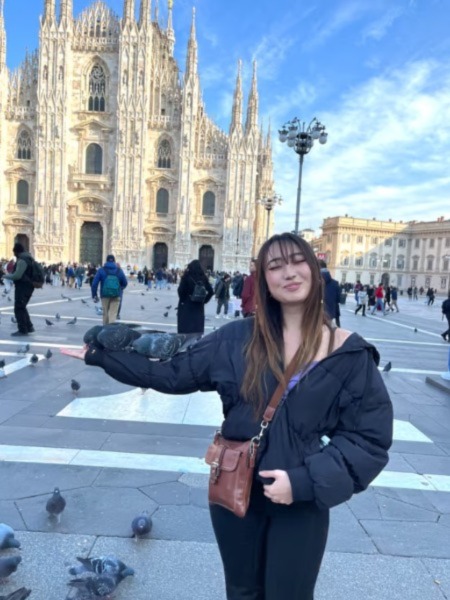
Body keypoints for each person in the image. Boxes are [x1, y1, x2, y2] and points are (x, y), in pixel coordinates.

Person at [62, 232, 393, 600]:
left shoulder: (347, 352)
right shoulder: (236, 338)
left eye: (298, 261)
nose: (289, 273)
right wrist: (101, 355)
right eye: (275, 265)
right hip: (236, 490)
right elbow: (172, 373)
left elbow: (368, 438)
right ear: (263, 279)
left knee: (290, 594)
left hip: (301, 502)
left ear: (315, 270)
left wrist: (302, 483)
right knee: (241, 591)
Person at [4, 242, 36, 336]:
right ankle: (29, 326)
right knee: (22, 307)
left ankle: (22, 329)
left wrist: (6, 276)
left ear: (17, 251)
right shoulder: (28, 257)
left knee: (18, 308)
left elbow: (18, 275)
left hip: (23, 287)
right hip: (28, 286)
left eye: (14, 252)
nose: (13, 254)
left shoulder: (22, 260)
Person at [177, 259, 214, 335]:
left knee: (185, 329)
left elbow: (180, 291)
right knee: (196, 330)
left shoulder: (186, 277)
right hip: (198, 306)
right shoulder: (203, 278)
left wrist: (184, 300)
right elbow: (211, 292)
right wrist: (204, 301)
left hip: (187, 306)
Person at [91, 255, 128, 325]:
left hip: (104, 295)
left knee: (105, 314)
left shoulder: (101, 270)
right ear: (114, 261)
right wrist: (120, 289)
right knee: (113, 314)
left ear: (106, 261)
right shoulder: (119, 271)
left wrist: (94, 295)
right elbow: (125, 283)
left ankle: (105, 330)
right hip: (116, 295)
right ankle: (110, 331)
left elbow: (94, 284)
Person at [318, 259, 341, 327]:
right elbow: (338, 299)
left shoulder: (314, 282)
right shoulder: (335, 283)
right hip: (331, 312)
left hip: (317, 312)